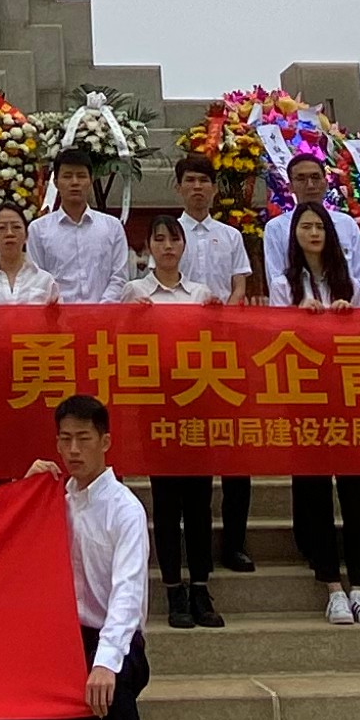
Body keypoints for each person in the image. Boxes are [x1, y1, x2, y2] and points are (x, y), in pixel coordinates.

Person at [24, 394, 165, 720]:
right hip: (63, 637)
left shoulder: (124, 511)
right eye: (64, 439)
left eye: (83, 439)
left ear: (106, 442)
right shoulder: (54, 496)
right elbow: (11, 543)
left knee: (116, 691)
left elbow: (127, 598)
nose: (72, 450)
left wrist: (105, 664)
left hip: (118, 642)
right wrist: (22, 493)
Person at [273, 203, 360, 623]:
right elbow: (277, 334)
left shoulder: (351, 281)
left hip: (349, 388)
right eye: (306, 226)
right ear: (294, 235)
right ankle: (331, 584)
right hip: (306, 392)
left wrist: (345, 320)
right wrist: (303, 321)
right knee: (313, 486)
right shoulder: (285, 282)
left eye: (320, 226)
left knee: (358, 486)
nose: (313, 233)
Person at [127, 215, 222, 629]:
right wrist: (130, 318)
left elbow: (219, 348)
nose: (167, 246)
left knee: (200, 502)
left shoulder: (201, 294)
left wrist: (218, 317)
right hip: (156, 407)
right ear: (149, 247)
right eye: (159, 240)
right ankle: (173, 590)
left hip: (197, 406)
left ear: (184, 246)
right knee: (166, 503)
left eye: (174, 239)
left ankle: (201, 586)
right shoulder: (133, 294)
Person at [174, 151, 255, 573]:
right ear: (179, 187)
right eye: (190, 180)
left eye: (204, 180)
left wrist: (225, 315)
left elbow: (240, 285)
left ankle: (236, 542)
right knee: (194, 454)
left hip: (226, 352)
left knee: (236, 456)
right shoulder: (169, 235)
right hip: (184, 356)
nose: (198, 187)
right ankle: (196, 541)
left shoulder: (230, 234)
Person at [28, 149, 131, 303]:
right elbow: (36, 280)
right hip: (57, 320)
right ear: (56, 182)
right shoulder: (38, 229)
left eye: (81, 176)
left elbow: (119, 277)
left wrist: (100, 312)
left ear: (91, 180)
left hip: (103, 319)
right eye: (67, 176)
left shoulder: (112, 227)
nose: (75, 182)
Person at [261, 152, 360, 294]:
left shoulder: (346, 224)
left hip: (344, 309)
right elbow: (275, 278)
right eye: (301, 179)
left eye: (315, 177)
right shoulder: (276, 227)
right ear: (290, 187)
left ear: (325, 183)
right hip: (299, 309)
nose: (310, 185)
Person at [0, 200, 60, 305]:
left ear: (26, 235)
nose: (9, 233)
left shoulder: (45, 281)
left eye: (16, 227)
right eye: (1, 228)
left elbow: (61, 319)